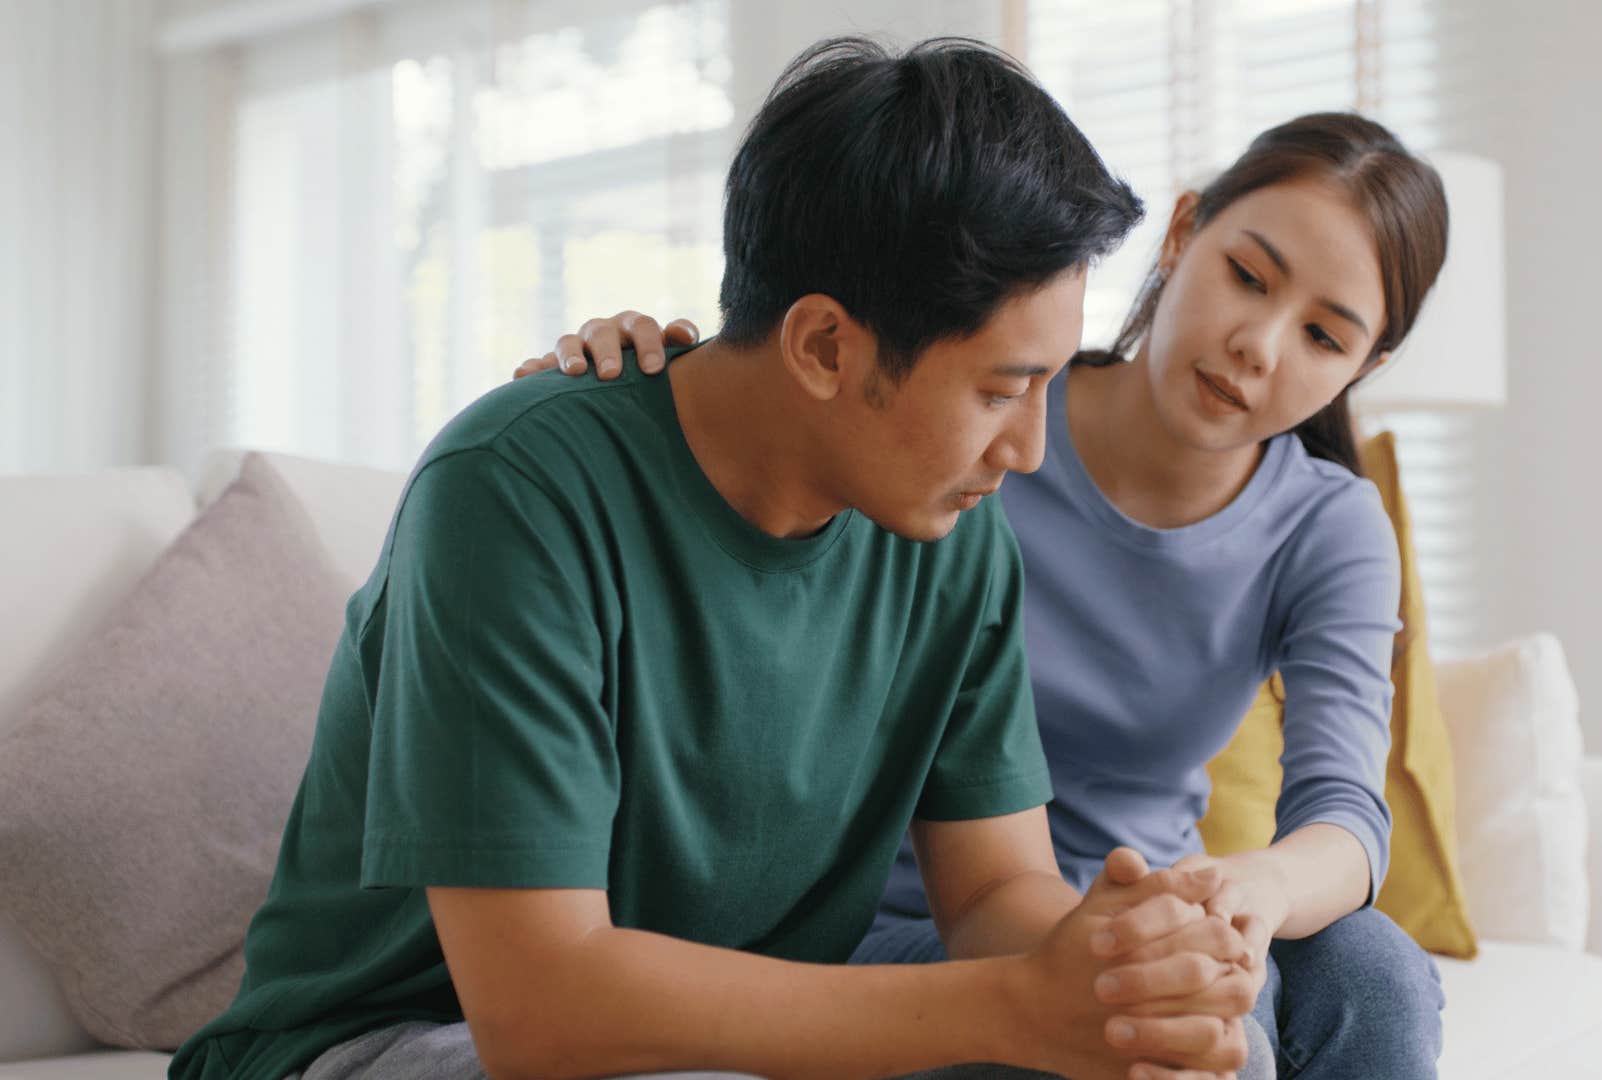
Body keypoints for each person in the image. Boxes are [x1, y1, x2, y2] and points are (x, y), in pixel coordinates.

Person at [171, 36, 1267, 1080]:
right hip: (391, 1041)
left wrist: (1116, 970)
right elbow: (537, 1008)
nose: (1029, 450)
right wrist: (1014, 1009)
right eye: (998, 390)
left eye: (1044, 384)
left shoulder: (953, 533)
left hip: (722, 1049)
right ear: (826, 346)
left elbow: (992, 898)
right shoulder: (512, 491)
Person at [524, 110, 1454, 1078]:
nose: (1258, 344)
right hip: (900, 930)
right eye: (1247, 277)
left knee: (1370, 968)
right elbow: (794, 397)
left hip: (1132, 910)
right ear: (1182, 235)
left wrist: (1247, 890)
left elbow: (1344, 813)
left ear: (1366, 367)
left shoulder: (1327, 523)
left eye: (1322, 334)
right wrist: (645, 370)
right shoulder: (962, 419)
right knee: (1204, 1034)